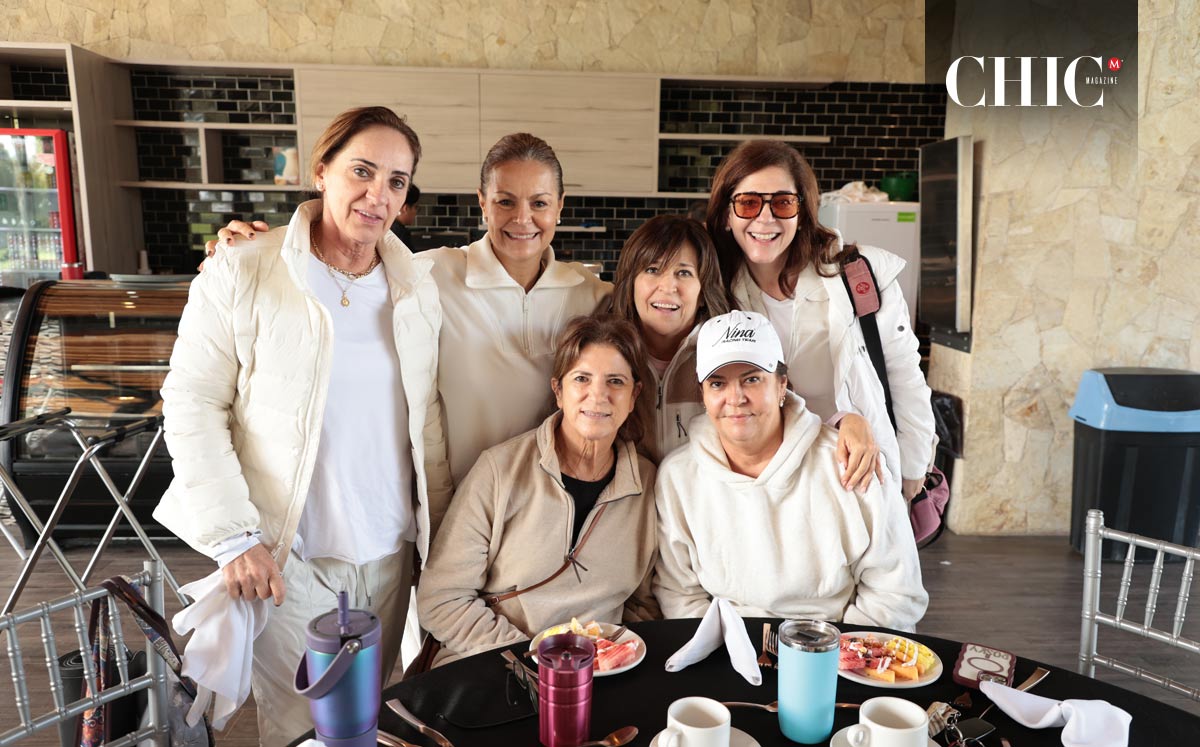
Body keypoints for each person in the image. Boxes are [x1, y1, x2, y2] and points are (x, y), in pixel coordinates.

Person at [154, 106, 452, 745]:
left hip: (389, 552)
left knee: (376, 721)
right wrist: (235, 538)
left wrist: (438, 541)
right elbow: (190, 402)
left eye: (397, 181)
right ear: (322, 171)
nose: (378, 195)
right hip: (288, 556)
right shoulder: (246, 267)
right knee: (302, 728)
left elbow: (424, 424)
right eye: (362, 171)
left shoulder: (416, 286)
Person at [208, 132, 610, 484]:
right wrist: (252, 249)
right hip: (459, 501)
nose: (523, 219)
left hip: (557, 502)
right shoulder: (427, 275)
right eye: (505, 201)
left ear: (559, 205)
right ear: (483, 203)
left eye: (539, 203)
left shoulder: (592, 297)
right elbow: (339, 266)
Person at [653, 310, 928, 631]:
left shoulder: (851, 462)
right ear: (703, 395)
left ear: (782, 384)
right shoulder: (678, 477)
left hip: (834, 648)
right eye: (718, 383)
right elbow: (679, 592)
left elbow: (895, 593)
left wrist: (831, 654)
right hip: (725, 649)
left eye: (752, 379)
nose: (735, 398)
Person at [417, 314, 659, 664]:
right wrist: (532, 659)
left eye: (616, 381)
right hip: (494, 660)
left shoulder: (648, 485)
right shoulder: (499, 471)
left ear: (634, 395)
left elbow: (644, 606)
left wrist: (613, 657)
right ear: (558, 390)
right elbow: (442, 599)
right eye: (582, 379)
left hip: (601, 674)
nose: (599, 394)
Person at [705, 140, 936, 504]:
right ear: (725, 215)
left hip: (855, 478)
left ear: (803, 213)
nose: (765, 219)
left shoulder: (858, 277)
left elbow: (905, 375)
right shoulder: (713, 291)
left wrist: (912, 467)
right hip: (763, 485)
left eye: (782, 203)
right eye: (748, 203)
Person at [603, 215, 880, 488]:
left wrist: (846, 421)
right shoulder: (607, 357)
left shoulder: (729, 349)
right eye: (652, 270)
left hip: (706, 510)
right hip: (629, 512)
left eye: (684, 273)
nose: (668, 287)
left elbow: (781, 411)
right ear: (631, 282)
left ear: (703, 288)